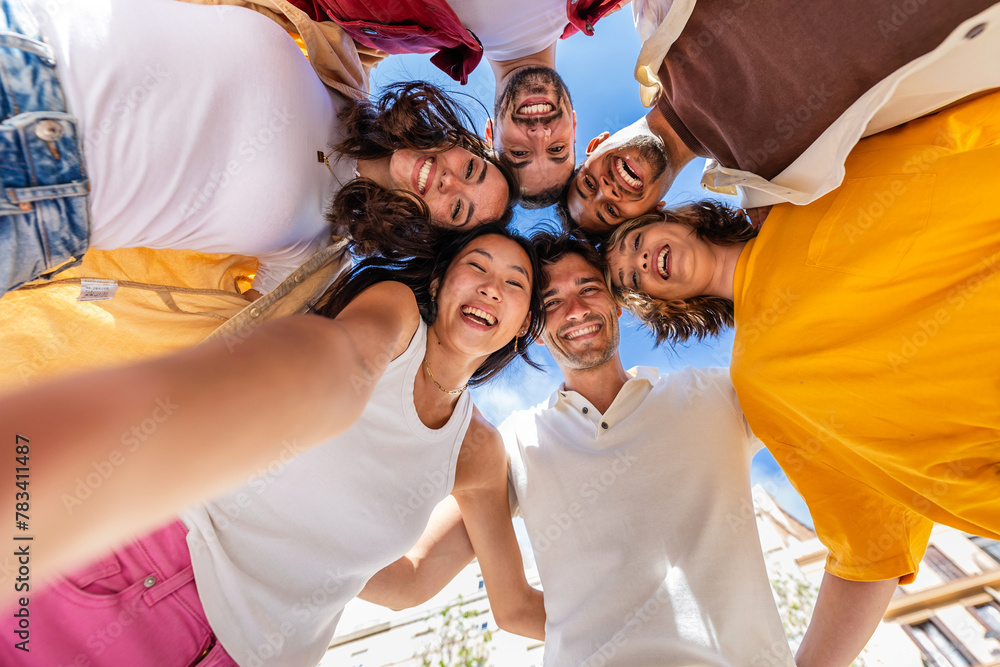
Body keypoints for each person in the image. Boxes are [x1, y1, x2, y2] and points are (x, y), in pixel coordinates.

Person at [0, 224, 546, 665]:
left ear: (523, 324)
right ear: (439, 285)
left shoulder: (478, 453)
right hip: (153, 572)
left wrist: (542, 486)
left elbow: (436, 587)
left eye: (515, 282)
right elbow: (339, 361)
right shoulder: (398, 317)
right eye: (475, 265)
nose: (490, 286)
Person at [604, 90, 1000, 664]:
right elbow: (870, 546)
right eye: (631, 283)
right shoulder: (761, 383)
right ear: (665, 308)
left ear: (679, 218)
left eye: (635, 242)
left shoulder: (803, 179)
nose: (639, 264)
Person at [360, 231, 795, 666]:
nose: (576, 310)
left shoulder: (717, 395)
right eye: (552, 302)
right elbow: (412, 580)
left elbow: (831, 370)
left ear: (618, 303)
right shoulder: (512, 445)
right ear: (533, 331)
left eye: (589, 289)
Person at [2, 0, 516, 296]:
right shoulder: (335, 65)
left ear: (430, 232)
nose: (451, 181)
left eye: (458, 207)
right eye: (470, 168)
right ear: (456, 140)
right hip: (25, 32)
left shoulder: (313, 254)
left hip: (38, 202)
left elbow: (240, 343)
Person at [564, 0, 1000, 233]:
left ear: (595, 143)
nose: (607, 190)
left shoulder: (655, 15)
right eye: (611, 212)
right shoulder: (772, 184)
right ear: (652, 210)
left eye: (588, 183)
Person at [291, 0, 628, 205]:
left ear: (490, 134)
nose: (540, 135)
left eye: (520, 153)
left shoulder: (385, 29)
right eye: (557, 150)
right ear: (574, 125)